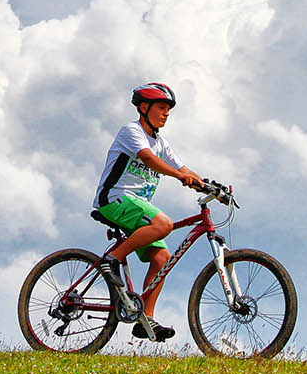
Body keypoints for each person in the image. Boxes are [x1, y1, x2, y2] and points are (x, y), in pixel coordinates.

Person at [91, 82, 214, 343]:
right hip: (115, 199)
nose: (166, 113)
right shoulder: (131, 131)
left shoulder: (161, 143)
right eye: (161, 107)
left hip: (135, 208)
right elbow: (148, 159)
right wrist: (180, 176)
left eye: (168, 109)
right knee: (164, 223)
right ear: (144, 108)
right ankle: (111, 259)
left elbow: (183, 167)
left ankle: (144, 318)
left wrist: (210, 185)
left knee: (162, 258)